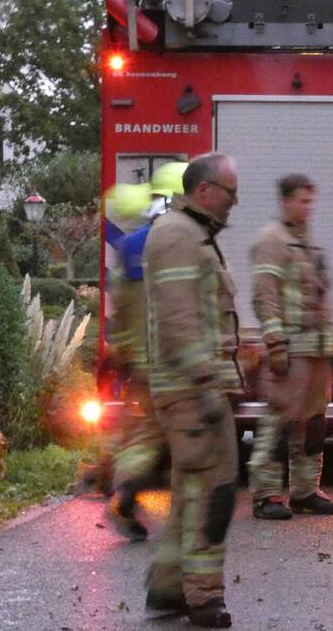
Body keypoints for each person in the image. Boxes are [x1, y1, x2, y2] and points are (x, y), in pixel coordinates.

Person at [142, 152, 241, 628]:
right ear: (204, 190)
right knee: (212, 493)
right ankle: (203, 597)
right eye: (230, 193)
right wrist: (205, 380)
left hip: (193, 387)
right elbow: (180, 320)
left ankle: (168, 586)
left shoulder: (190, 233)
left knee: (190, 491)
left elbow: (201, 313)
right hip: (190, 391)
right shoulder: (178, 236)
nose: (234, 202)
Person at [248, 173, 333, 520]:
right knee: (279, 422)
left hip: (314, 349)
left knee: (313, 423)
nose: (308, 207)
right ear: (286, 201)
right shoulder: (271, 241)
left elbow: (322, 296)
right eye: (303, 200)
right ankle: (266, 495)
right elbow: (265, 296)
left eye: (311, 201)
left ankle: (305, 491)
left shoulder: (308, 245)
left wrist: (330, 342)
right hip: (291, 347)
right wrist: (275, 344)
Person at [106, 161, 187, 541]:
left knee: (149, 429)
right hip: (174, 358)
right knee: (179, 432)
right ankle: (137, 489)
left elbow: (121, 306)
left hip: (141, 360)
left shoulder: (129, 245)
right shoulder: (180, 243)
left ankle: (124, 482)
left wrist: (124, 354)